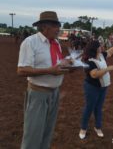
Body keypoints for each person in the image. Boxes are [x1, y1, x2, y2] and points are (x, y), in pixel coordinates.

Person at [17, 11, 72, 149]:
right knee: (32, 138)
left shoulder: (56, 44)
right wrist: (49, 71)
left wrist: (68, 65)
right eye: (55, 26)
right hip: (38, 95)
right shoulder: (30, 42)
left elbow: (56, 65)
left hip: (54, 94)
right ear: (45, 26)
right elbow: (21, 70)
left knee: (47, 135)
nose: (58, 29)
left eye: (58, 25)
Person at [79, 40, 113, 139]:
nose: (101, 46)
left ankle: (98, 127)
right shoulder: (89, 61)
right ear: (95, 48)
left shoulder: (101, 55)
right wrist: (108, 69)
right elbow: (94, 74)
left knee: (98, 108)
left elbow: (110, 51)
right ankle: (83, 128)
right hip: (92, 88)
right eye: (99, 45)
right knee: (89, 108)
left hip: (103, 87)